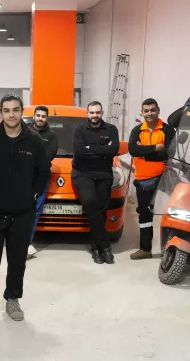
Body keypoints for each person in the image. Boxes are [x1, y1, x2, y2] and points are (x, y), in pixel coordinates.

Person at [0, 94, 50, 322]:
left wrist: (31, 194)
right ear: (1, 113)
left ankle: (13, 299)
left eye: (15, 110)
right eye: (6, 110)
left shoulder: (33, 140)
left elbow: (43, 172)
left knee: (17, 259)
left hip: (22, 213)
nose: (11, 115)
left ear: (22, 111)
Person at [72, 101, 120, 265]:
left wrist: (90, 147)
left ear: (102, 112)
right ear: (87, 113)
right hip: (83, 174)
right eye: (92, 113)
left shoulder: (111, 129)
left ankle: (96, 247)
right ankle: (104, 246)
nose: (94, 115)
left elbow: (113, 150)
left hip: (104, 174)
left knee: (101, 209)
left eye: (97, 112)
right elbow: (78, 153)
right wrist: (102, 150)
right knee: (91, 203)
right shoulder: (79, 130)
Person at [127, 98, 176, 260]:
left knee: (171, 213)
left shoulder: (168, 130)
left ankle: (172, 249)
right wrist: (156, 148)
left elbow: (170, 152)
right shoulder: (137, 130)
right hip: (143, 179)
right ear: (141, 113)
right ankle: (145, 249)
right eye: (146, 111)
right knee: (144, 213)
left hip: (164, 177)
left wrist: (144, 152)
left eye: (152, 110)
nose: (149, 113)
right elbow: (133, 150)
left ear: (158, 110)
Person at [27, 105, 58, 257]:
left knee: (35, 210)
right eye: (38, 115)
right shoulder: (23, 131)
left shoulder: (51, 136)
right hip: (22, 177)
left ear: (47, 118)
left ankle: (27, 243)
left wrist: (27, 156)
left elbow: (48, 157)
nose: (40, 118)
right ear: (34, 116)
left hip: (40, 178)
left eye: (43, 116)